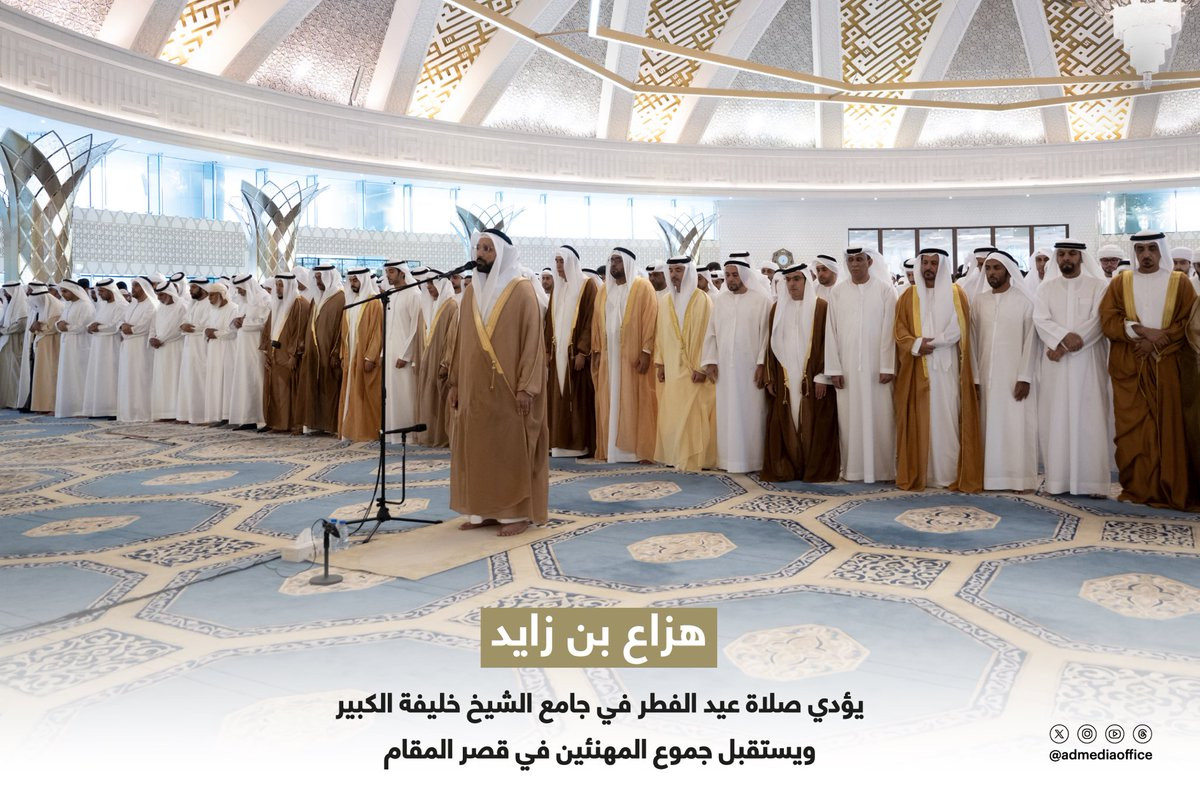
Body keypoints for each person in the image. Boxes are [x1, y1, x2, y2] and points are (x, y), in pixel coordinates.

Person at [448, 229, 548, 536]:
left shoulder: (522, 290)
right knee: (479, 449)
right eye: (478, 248)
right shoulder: (471, 293)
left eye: (488, 249)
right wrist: (455, 383)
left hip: (510, 391)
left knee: (509, 450)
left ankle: (515, 514)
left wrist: (527, 387)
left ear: (502, 254)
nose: (480, 254)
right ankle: (484, 510)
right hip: (474, 390)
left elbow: (533, 342)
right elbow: (460, 342)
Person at [1099, 231, 1197, 509]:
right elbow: (1108, 320)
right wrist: (1141, 332)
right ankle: (1139, 486)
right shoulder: (1121, 282)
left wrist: (1156, 343)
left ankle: (1171, 486)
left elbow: (1188, 321)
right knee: (1133, 431)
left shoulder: (1179, 282)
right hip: (1132, 367)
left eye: (1152, 248)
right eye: (1140, 249)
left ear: (1160, 251)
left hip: (1168, 367)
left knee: (1170, 427)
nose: (1146, 255)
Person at [894, 248, 983, 492]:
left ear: (942, 266)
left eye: (934, 263)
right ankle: (924, 474)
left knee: (948, 418)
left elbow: (959, 328)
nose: (929, 268)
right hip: (918, 367)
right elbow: (899, 329)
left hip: (947, 367)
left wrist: (931, 343)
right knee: (921, 418)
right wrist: (915, 344)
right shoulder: (908, 295)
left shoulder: (957, 293)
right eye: (925, 263)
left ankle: (948, 474)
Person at [1033, 241, 1112, 497]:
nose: (1067, 258)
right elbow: (1040, 320)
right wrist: (1059, 340)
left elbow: (1098, 322)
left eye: (1072, 254)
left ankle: (1093, 483)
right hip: (1055, 366)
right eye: (1062, 254)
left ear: (1081, 258)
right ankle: (1058, 481)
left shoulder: (1098, 286)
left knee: (1090, 418)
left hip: (1087, 362)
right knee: (1056, 418)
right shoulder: (1046, 288)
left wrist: (1063, 346)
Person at [824, 248, 897, 483]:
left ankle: (883, 471)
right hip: (847, 369)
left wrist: (887, 366)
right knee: (850, 420)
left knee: (881, 418)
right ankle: (853, 470)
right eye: (850, 260)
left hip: (878, 369)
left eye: (859, 259)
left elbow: (890, 330)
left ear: (870, 262)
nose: (854, 264)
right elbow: (831, 332)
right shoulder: (838, 292)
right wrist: (834, 369)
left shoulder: (885, 291)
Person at [761, 265, 838, 482]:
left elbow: (828, 343)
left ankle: (811, 468)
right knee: (788, 419)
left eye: (797, 279)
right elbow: (770, 345)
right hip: (785, 377)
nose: (792, 284)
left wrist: (822, 376)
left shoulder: (820, 307)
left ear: (806, 281)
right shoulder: (777, 309)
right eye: (788, 280)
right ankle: (789, 467)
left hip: (812, 376)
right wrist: (770, 377)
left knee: (813, 420)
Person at [972, 251, 1039, 492]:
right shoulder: (978, 302)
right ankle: (989, 478)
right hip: (985, 376)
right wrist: (975, 377)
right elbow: (972, 341)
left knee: (1015, 427)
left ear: (1009, 271)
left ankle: (1019, 479)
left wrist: (1025, 377)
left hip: (1015, 377)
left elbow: (1031, 343)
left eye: (996, 268)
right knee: (988, 427)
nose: (991, 273)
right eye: (988, 268)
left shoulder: (1025, 302)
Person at [702, 258, 772, 473]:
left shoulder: (761, 301)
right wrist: (710, 360)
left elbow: (766, 336)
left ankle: (753, 461)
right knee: (727, 414)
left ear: (744, 275)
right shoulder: (721, 301)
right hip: (725, 369)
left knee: (752, 414)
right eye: (728, 275)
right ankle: (728, 460)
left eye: (735, 275)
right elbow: (711, 333)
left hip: (750, 369)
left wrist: (762, 364)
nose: (731, 279)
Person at [591, 246, 658, 463]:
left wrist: (646, 351)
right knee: (610, 400)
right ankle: (611, 449)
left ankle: (634, 451)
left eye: (618, 261)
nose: (614, 265)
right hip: (609, 357)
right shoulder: (604, 290)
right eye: (612, 260)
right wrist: (597, 350)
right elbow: (596, 323)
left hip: (633, 357)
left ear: (628, 263)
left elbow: (650, 320)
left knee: (634, 400)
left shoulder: (642, 287)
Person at [654, 255, 716, 471]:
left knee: (694, 413)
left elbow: (708, 336)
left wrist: (702, 367)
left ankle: (695, 459)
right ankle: (676, 455)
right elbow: (660, 334)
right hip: (672, 366)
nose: (674, 275)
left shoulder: (702, 300)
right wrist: (661, 363)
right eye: (671, 270)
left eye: (679, 270)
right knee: (674, 412)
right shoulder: (665, 301)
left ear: (688, 272)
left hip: (694, 369)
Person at [546, 245, 597, 458]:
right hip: (557, 352)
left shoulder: (587, 285)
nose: (559, 266)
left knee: (576, 398)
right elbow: (549, 321)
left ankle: (579, 445)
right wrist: (547, 350)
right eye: (557, 261)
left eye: (562, 261)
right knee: (557, 396)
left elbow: (590, 320)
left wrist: (583, 352)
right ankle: (558, 444)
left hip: (575, 354)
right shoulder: (557, 287)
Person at [413, 267, 459, 447]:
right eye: (428, 284)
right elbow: (419, 335)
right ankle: (426, 435)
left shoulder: (451, 306)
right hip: (425, 360)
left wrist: (446, 363)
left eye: (432, 283)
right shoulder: (425, 306)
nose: (429, 287)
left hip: (440, 361)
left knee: (439, 399)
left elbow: (453, 338)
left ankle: (440, 436)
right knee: (426, 398)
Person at [336, 268, 383, 442]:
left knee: (364, 395)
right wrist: (343, 355)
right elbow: (344, 333)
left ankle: (365, 431)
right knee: (350, 393)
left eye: (355, 280)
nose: (352, 284)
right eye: (351, 281)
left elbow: (377, 332)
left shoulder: (373, 302)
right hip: (351, 357)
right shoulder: (350, 302)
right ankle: (349, 430)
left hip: (364, 357)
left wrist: (370, 356)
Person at [298, 264, 345, 434]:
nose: (318, 281)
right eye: (316, 277)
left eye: (320, 277)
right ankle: (315, 424)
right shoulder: (316, 297)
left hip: (330, 352)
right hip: (314, 352)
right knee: (314, 387)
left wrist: (336, 351)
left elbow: (342, 327)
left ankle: (331, 425)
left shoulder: (341, 297)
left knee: (330, 388)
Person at [261, 274, 311, 433]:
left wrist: (294, 355)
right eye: (277, 285)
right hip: (275, 353)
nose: (278, 289)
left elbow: (300, 332)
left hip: (289, 356)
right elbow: (268, 329)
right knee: (275, 390)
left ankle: (295, 424)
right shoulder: (277, 303)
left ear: (289, 285)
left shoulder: (300, 304)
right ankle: (277, 423)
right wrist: (266, 352)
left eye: (281, 285)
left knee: (291, 390)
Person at [382, 261, 423, 443]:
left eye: (392, 271)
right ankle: (392, 433)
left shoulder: (414, 294)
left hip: (404, 356)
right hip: (390, 353)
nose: (388, 275)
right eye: (387, 271)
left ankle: (409, 435)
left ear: (402, 273)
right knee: (391, 395)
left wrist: (406, 355)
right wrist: (383, 352)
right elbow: (388, 327)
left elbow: (416, 328)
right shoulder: (390, 295)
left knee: (405, 394)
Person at [226, 274, 270, 429]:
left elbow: (265, 323)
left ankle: (261, 418)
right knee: (244, 379)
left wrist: (244, 323)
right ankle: (247, 417)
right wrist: (235, 322)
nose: (239, 292)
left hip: (256, 346)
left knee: (257, 378)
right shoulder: (242, 302)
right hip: (242, 348)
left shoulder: (264, 299)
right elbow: (236, 322)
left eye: (240, 288)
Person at [81, 278, 127, 418]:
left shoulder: (121, 305)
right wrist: (91, 327)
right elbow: (96, 322)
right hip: (98, 345)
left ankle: (113, 410)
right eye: (98, 291)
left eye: (101, 291)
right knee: (98, 375)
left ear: (110, 290)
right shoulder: (102, 305)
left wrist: (98, 327)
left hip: (112, 346)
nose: (99, 294)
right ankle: (99, 408)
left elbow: (115, 326)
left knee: (111, 376)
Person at [115, 277, 158, 422]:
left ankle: (142, 414)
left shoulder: (151, 305)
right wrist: (123, 326)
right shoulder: (132, 304)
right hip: (127, 347)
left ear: (145, 287)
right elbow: (120, 321)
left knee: (141, 379)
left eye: (136, 286)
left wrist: (130, 328)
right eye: (132, 286)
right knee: (128, 379)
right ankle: (128, 412)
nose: (133, 289)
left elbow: (144, 327)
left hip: (141, 347)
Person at [54, 280, 94, 418]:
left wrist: (66, 327)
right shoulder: (68, 305)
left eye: (65, 291)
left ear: (73, 290)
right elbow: (59, 322)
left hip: (80, 346)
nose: (62, 294)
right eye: (61, 291)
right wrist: (59, 325)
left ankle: (82, 409)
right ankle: (69, 408)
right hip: (67, 345)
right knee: (68, 376)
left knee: (79, 376)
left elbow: (83, 327)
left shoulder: (86, 305)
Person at [201, 282, 239, 424]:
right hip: (214, 350)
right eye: (209, 295)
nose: (209, 298)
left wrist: (215, 333)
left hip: (227, 350)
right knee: (215, 381)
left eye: (212, 295)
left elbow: (233, 332)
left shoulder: (234, 309)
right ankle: (217, 415)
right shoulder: (212, 310)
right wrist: (206, 332)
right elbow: (206, 327)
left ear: (221, 295)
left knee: (226, 381)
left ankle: (227, 415)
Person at [149, 279, 187, 420]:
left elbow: (179, 328)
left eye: (161, 295)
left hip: (175, 348)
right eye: (157, 295)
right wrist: (152, 338)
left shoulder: (182, 306)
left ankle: (175, 412)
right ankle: (163, 412)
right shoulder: (160, 308)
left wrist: (161, 339)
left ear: (169, 293)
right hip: (160, 350)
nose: (158, 298)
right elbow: (153, 326)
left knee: (174, 378)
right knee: (162, 380)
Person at [26, 285, 63, 413]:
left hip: (52, 347)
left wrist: (38, 327)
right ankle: (42, 405)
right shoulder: (42, 309)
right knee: (42, 376)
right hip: (42, 346)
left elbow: (52, 328)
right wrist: (36, 327)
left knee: (51, 375)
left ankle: (52, 406)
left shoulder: (56, 308)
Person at [0, 282, 28, 408]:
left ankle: (15, 400)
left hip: (17, 343)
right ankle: (6, 400)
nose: (5, 294)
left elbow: (21, 325)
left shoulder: (22, 305)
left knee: (15, 373)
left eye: (7, 291)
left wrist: (3, 330)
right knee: (6, 372)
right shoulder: (9, 304)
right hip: (7, 342)